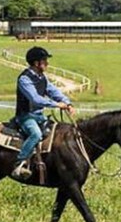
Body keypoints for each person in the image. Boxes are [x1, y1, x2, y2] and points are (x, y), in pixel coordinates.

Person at [11, 46, 76, 180]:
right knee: (36, 134)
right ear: (36, 63)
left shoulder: (42, 78)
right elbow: (35, 98)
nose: (47, 63)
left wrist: (67, 102)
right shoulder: (25, 79)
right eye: (44, 60)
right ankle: (19, 162)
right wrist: (56, 104)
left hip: (39, 116)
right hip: (26, 116)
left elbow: (54, 91)